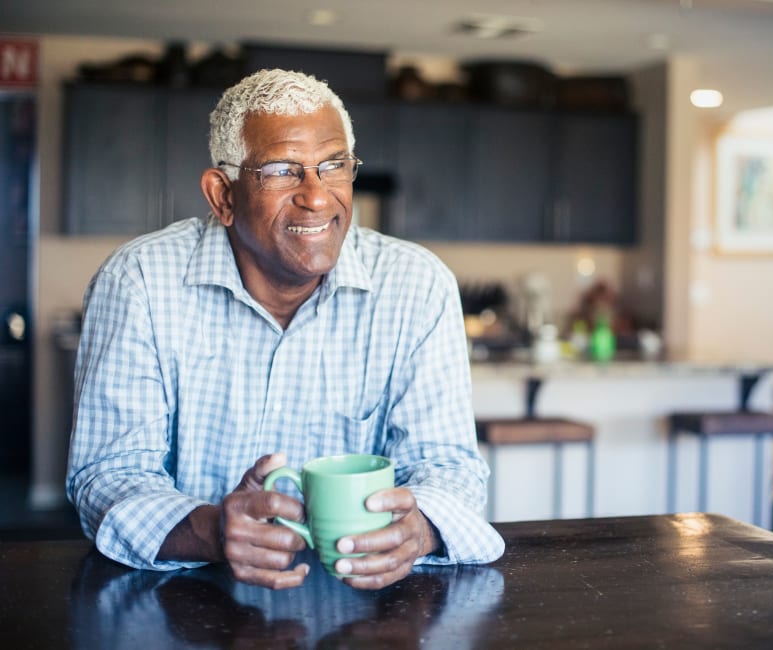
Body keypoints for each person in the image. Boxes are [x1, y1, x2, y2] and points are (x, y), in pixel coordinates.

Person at [66, 68, 505, 591]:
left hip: (363, 607)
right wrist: (211, 531)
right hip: (186, 603)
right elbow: (107, 476)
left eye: (333, 165)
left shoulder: (417, 285)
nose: (317, 197)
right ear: (222, 196)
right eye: (282, 170)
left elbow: (449, 465)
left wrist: (422, 528)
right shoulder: (138, 282)